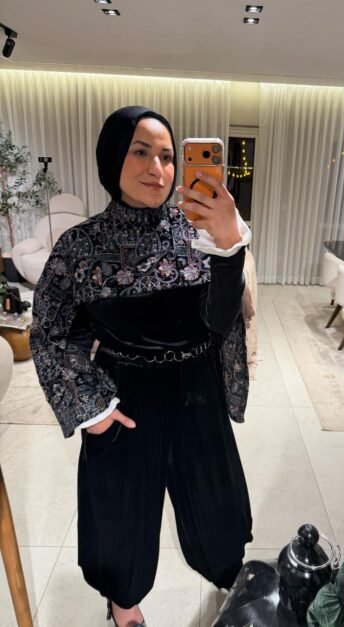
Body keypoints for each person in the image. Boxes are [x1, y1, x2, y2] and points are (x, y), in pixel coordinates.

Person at [30, 106, 253, 627]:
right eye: (141, 152)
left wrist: (229, 248)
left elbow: (220, 321)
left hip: (198, 390)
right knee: (120, 519)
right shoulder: (80, 246)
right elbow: (51, 332)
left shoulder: (199, 231)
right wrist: (92, 410)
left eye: (169, 157)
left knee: (217, 510)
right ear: (113, 157)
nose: (158, 168)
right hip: (124, 397)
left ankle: (231, 586)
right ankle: (123, 605)